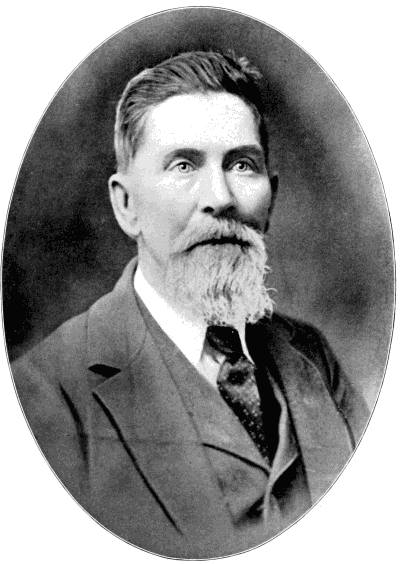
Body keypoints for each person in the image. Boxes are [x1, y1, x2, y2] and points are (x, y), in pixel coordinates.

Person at [12, 51, 369, 558]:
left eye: (242, 165)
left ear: (271, 196)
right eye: (183, 165)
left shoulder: (314, 358)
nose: (220, 197)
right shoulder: (43, 395)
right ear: (126, 205)